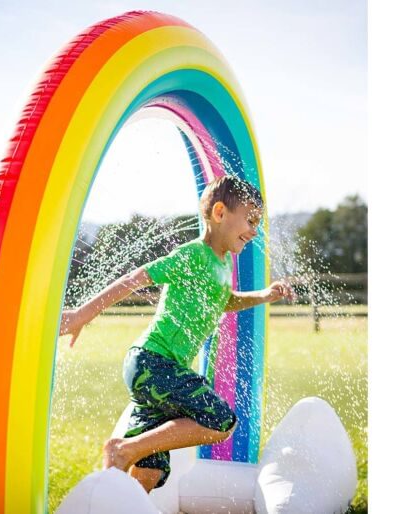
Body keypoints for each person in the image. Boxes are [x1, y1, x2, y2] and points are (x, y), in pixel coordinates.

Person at [60, 175, 295, 493]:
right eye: (250, 220)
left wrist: (265, 295)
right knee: (221, 421)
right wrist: (81, 315)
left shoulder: (223, 264)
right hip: (154, 362)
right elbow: (137, 277)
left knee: (150, 470)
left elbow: (227, 301)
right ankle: (124, 450)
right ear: (220, 213)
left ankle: (113, 492)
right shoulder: (194, 256)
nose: (254, 231)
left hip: (156, 370)